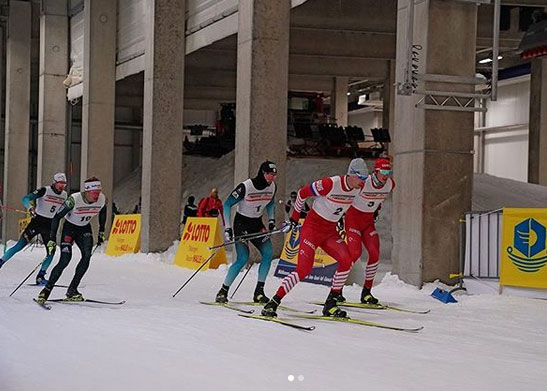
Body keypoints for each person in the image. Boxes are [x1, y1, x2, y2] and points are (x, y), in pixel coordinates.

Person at [262, 158, 368, 318]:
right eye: (361, 178)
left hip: (329, 232)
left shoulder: (358, 188)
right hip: (312, 229)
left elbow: (343, 206)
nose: (363, 182)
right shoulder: (331, 183)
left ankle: (331, 304)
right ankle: (273, 302)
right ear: (351, 174)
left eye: (365, 178)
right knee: (303, 269)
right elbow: (302, 193)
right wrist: (294, 219)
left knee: (347, 260)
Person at [215, 161, 278, 304]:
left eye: (275, 175)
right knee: (243, 258)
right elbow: (227, 204)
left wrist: (272, 220)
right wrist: (228, 227)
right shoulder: (246, 186)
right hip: (241, 224)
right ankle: (223, 291)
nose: (272, 178)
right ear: (262, 173)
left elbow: (270, 203)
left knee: (268, 254)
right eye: (270, 175)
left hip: (257, 224)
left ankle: (259, 292)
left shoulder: (272, 187)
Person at [36, 177, 107, 303]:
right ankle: (46, 291)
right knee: (65, 260)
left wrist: (102, 230)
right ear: (87, 191)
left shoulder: (101, 199)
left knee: (86, 257)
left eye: (98, 192)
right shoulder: (74, 199)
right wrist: (52, 239)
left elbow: (103, 212)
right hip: (69, 229)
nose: (97, 196)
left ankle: (72, 290)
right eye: (94, 193)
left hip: (84, 229)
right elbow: (57, 217)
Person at [341, 157, 395, 304]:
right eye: (383, 171)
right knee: (354, 253)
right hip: (353, 220)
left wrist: (376, 209)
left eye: (388, 171)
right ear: (375, 171)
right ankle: (336, 290)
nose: (385, 175)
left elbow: (378, 200)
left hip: (368, 222)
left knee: (375, 252)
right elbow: (346, 194)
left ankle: (366, 292)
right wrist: (339, 215)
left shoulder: (390, 184)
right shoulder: (364, 183)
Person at [0, 173, 68, 285]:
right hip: (37, 222)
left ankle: (41, 276)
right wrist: (30, 208)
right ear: (54, 182)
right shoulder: (44, 190)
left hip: (50, 226)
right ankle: (1, 262)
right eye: (60, 183)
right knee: (19, 246)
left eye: (64, 184)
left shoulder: (65, 195)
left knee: (51, 251)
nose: (62, 186)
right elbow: (25, 198)